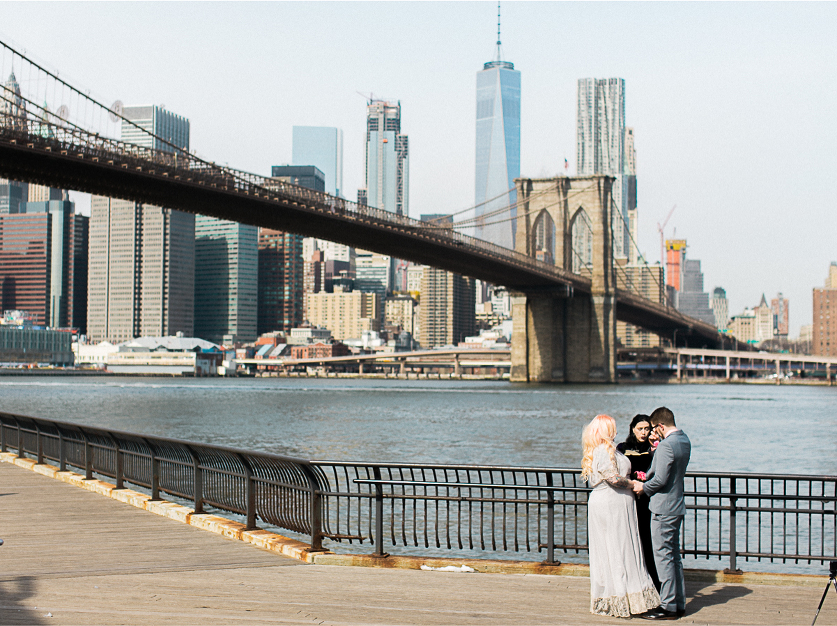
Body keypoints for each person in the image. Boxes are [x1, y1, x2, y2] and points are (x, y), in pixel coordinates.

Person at [582, 414, 661, 618]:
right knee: (619, 548)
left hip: (616, 503)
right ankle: (624, 597)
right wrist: (634, 484)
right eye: (612, 427)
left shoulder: (607, 449)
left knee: (621, 548)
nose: (616, 431)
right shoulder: (603, 450)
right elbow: (613, 478)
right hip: (611, 504)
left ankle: (623, 597)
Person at [633, 407, 691, 620]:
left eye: (653, 429)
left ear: (660, 426)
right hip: (676, 506)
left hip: (663, 508)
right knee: (674, 557)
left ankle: (667, 606)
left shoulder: (667, 445)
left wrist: (643, 488)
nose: (652, 433)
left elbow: (659, 479)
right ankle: (678, 603)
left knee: (663, 557)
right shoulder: (684, 440)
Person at [617, 414, 660, 591]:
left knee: (646, 540)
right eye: (640, 429)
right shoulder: (623, 448)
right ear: (632, 429)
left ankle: (653, 582)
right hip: (628, 498)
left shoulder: (654, 448)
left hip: (646, 499)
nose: (643, 432)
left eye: (647, 429)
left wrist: (655, 445)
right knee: (627, 539)